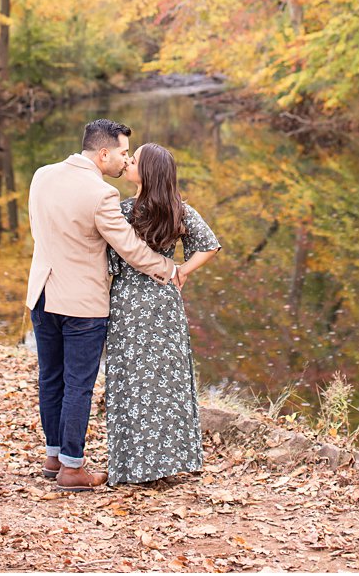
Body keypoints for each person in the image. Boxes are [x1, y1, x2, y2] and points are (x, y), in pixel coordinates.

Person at [25, 118, 180, 491]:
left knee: (50, 378)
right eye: (124, 153)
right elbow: (128, 248)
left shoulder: (41, 175)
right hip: (82, 304)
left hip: (42, 294)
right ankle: (73, 470)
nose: (127, 162)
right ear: (104, 152)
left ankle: (54, 455)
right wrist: (168, 269)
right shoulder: (101, 194)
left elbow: (38, 228)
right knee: (79, 385)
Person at [104, 143, 220, 486]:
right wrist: (182, 271)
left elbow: (110, 261)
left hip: (127, 303)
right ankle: (171, 461)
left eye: (134, 160)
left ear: (148, 171)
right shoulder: (178, 210)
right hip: (164, 302)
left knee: (131, 381)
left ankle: (132, 465)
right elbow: (210, 245)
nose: (128, 163)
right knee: (166, 381)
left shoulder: (123, 212)